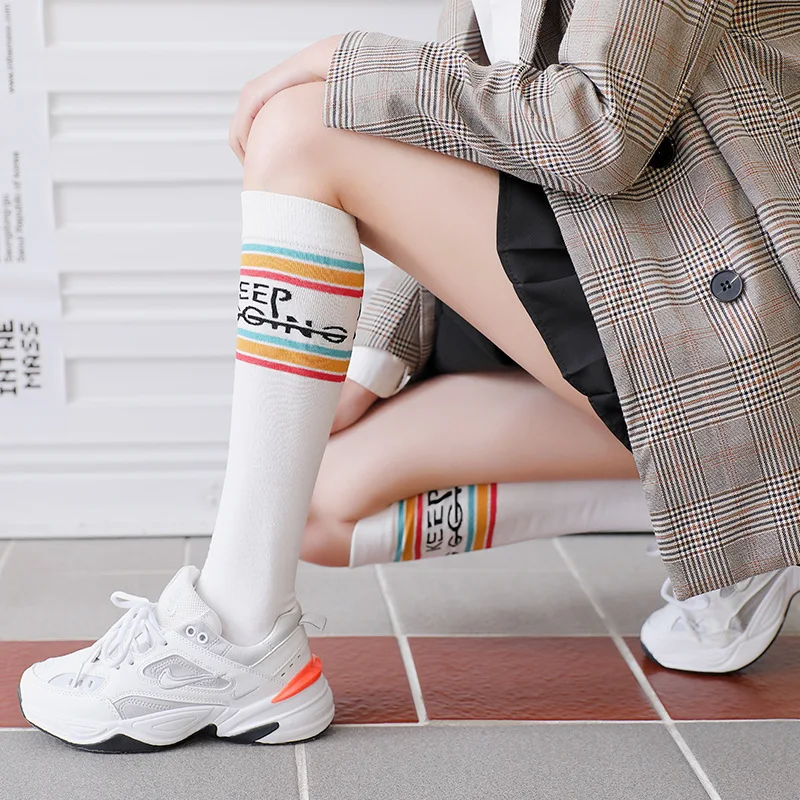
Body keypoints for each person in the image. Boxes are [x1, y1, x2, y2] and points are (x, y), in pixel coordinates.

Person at [17, 0, 800, 752]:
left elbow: (594, 132)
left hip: (731, 317)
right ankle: (742, 522)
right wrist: (370, 362)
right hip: (633, 293)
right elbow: (471, 158)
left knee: (304, 128)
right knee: (319, 505)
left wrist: (342, 60)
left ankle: (238, 638)